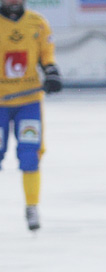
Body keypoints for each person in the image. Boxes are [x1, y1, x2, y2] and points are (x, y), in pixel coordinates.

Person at [0, 0, 62, 231]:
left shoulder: (37, 23)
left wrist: (51, 72)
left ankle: (32, 206)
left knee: (30, 154)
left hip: (28, 103)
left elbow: (47, 55)